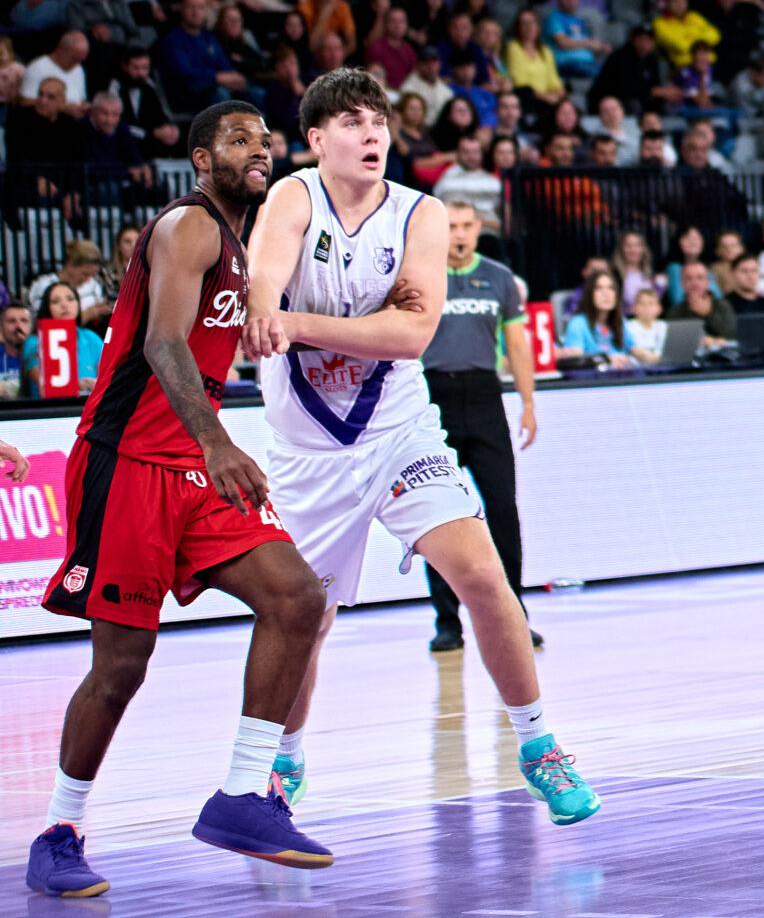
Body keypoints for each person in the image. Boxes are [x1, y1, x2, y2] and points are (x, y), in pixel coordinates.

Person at [241, 69, 600, 825]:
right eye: (352, 123)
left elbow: (410, 335)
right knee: (304, 618)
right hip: (308, 454)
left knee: (484, 575)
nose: (371, 134)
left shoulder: (421, 212)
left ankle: (540, 746)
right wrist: (274, 308)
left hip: (400, 433)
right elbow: (262, 289)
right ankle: (285, 759)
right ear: (316, 139)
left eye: (379, 121)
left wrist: (295, 324)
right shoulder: (293, 198)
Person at [27, 102, 337, 895]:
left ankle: (241, 794)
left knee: (298, 597)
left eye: (264, 139)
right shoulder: (189, 224)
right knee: (121, 666)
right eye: (238, 139)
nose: (258, 149)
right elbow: (163, 342)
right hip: (127, 460)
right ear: (201, 158)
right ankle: (59, 831)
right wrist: (217, 441)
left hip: (193, 466)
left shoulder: (239, 245)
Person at [418, 202, 542, 654]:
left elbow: (517, 343)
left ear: (478, 229)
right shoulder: (421, 272)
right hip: (434, 396)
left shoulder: (498, 277)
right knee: (438, 514)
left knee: (503, 509)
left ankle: (516, 616)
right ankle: (447, 623)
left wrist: (528, 402)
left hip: (485, 395)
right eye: (451, 226)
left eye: (467, 225)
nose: (459, 234)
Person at [560, 271, 631, 368]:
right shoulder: (577, 323)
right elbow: (574, 357)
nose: (606, 294)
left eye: (611, 288)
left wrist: (652, 357)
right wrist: (606, 359)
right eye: (599, 288)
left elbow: (636, 350)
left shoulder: (620, 321)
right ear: (590, 294)